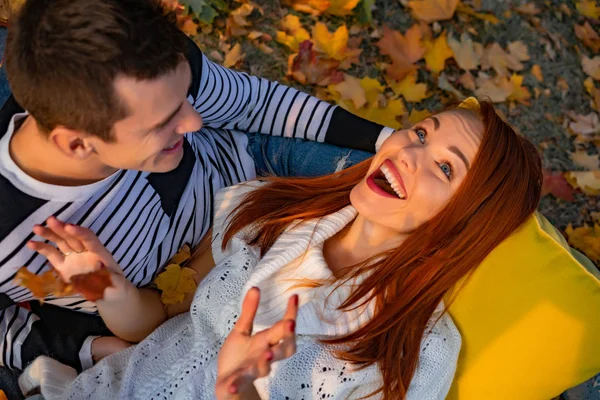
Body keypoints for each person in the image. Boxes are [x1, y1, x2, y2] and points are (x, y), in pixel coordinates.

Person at [18, 98, 543, 399]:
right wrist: (107, 287)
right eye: (421, 134)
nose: (410, 152)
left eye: (445, 168)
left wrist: (239, 390)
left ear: (467, 222)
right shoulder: (267, 210)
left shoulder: (418, 351)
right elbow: (154, 323)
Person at [0, 0, 393, 393]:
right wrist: (82, 349)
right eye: (164, 121)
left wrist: (387, 141)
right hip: (182, 300)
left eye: (186, 94)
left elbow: (259, 105)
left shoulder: (149, 62)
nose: (194, 122)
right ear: (76, 144)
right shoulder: (12, 236)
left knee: (417, 190)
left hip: (258, 165)